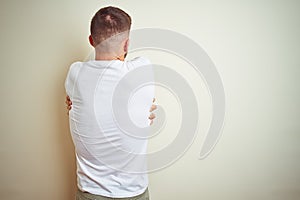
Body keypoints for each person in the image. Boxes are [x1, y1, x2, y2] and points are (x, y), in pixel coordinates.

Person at [64, 6, 156, 200]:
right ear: (127, 44)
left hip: (89, 193)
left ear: (91, 40)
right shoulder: (142, 69)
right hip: (134, 193)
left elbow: (78, 101)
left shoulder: (75, 73)